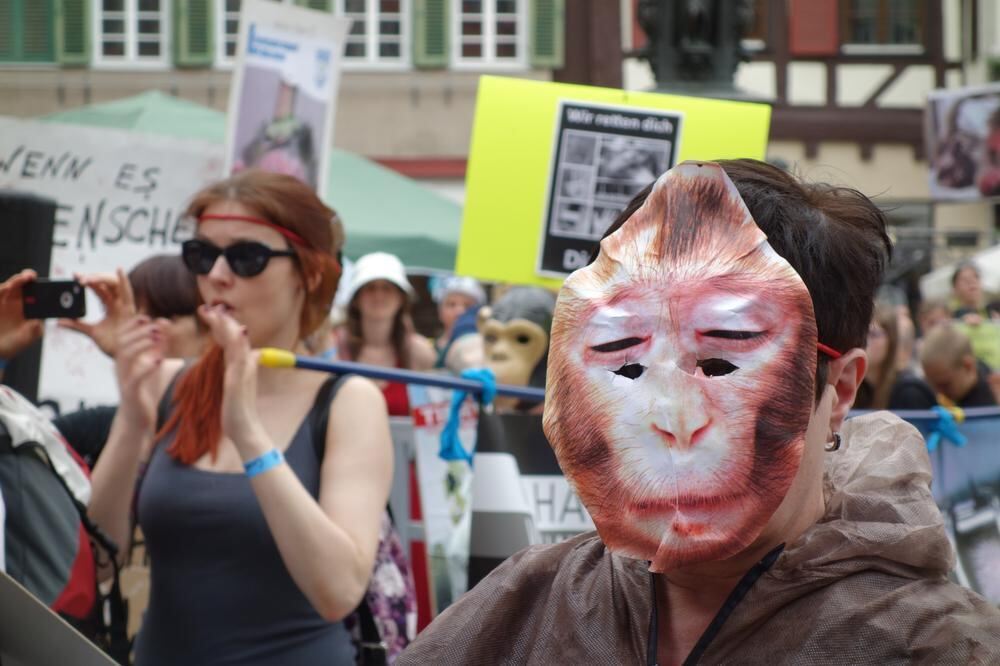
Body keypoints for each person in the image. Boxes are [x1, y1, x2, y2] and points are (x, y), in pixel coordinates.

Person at [398, 160, 1000, 664]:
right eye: (622, 360)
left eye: (719, 363)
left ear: (839, 390)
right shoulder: (524, 605)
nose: (670, 415)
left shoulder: (934, 646)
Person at [87, 170, 394, 665]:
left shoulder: (348, 401)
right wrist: (131, 422)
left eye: (247, 257)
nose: (217, 275)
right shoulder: (168, 382)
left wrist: (250, 437)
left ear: (309, 273)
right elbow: (96, 565)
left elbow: (338, 589)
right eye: (202, 255)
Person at [335, 252, 435, 416]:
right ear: (356, 299)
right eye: (370, 287)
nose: (378, 295)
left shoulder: (419, 352)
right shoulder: (335, 346)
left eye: (387, 288)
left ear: (401, 298)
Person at [854, 303, 936, 410]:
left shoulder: (910, 391)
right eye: (860, 334)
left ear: (891, 341)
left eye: (873, 334)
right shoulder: (858, 388)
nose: (863, 341)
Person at [920, 323, 999, 407]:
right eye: (931, 385)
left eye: (945, 385)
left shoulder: (993, 397)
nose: (938, 393)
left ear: (968, 366)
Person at [431, 275, 486, 369]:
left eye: (467, 306)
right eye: (451, 304)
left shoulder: (486, 347)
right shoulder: (428, 349)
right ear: (439, 311)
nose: (459, 312)